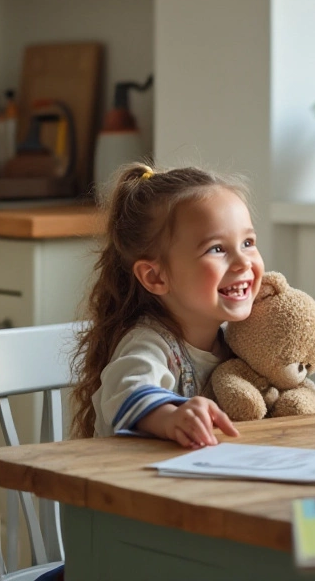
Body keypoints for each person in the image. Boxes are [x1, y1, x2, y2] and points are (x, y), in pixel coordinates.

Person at [70, 163, 261, 448]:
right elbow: (128, 391)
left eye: (247, 242)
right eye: (217, 249)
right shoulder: (148, 344)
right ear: (155, 276)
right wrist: (170, 417)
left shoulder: (240, 339)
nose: (244, 261)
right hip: (133, 488)